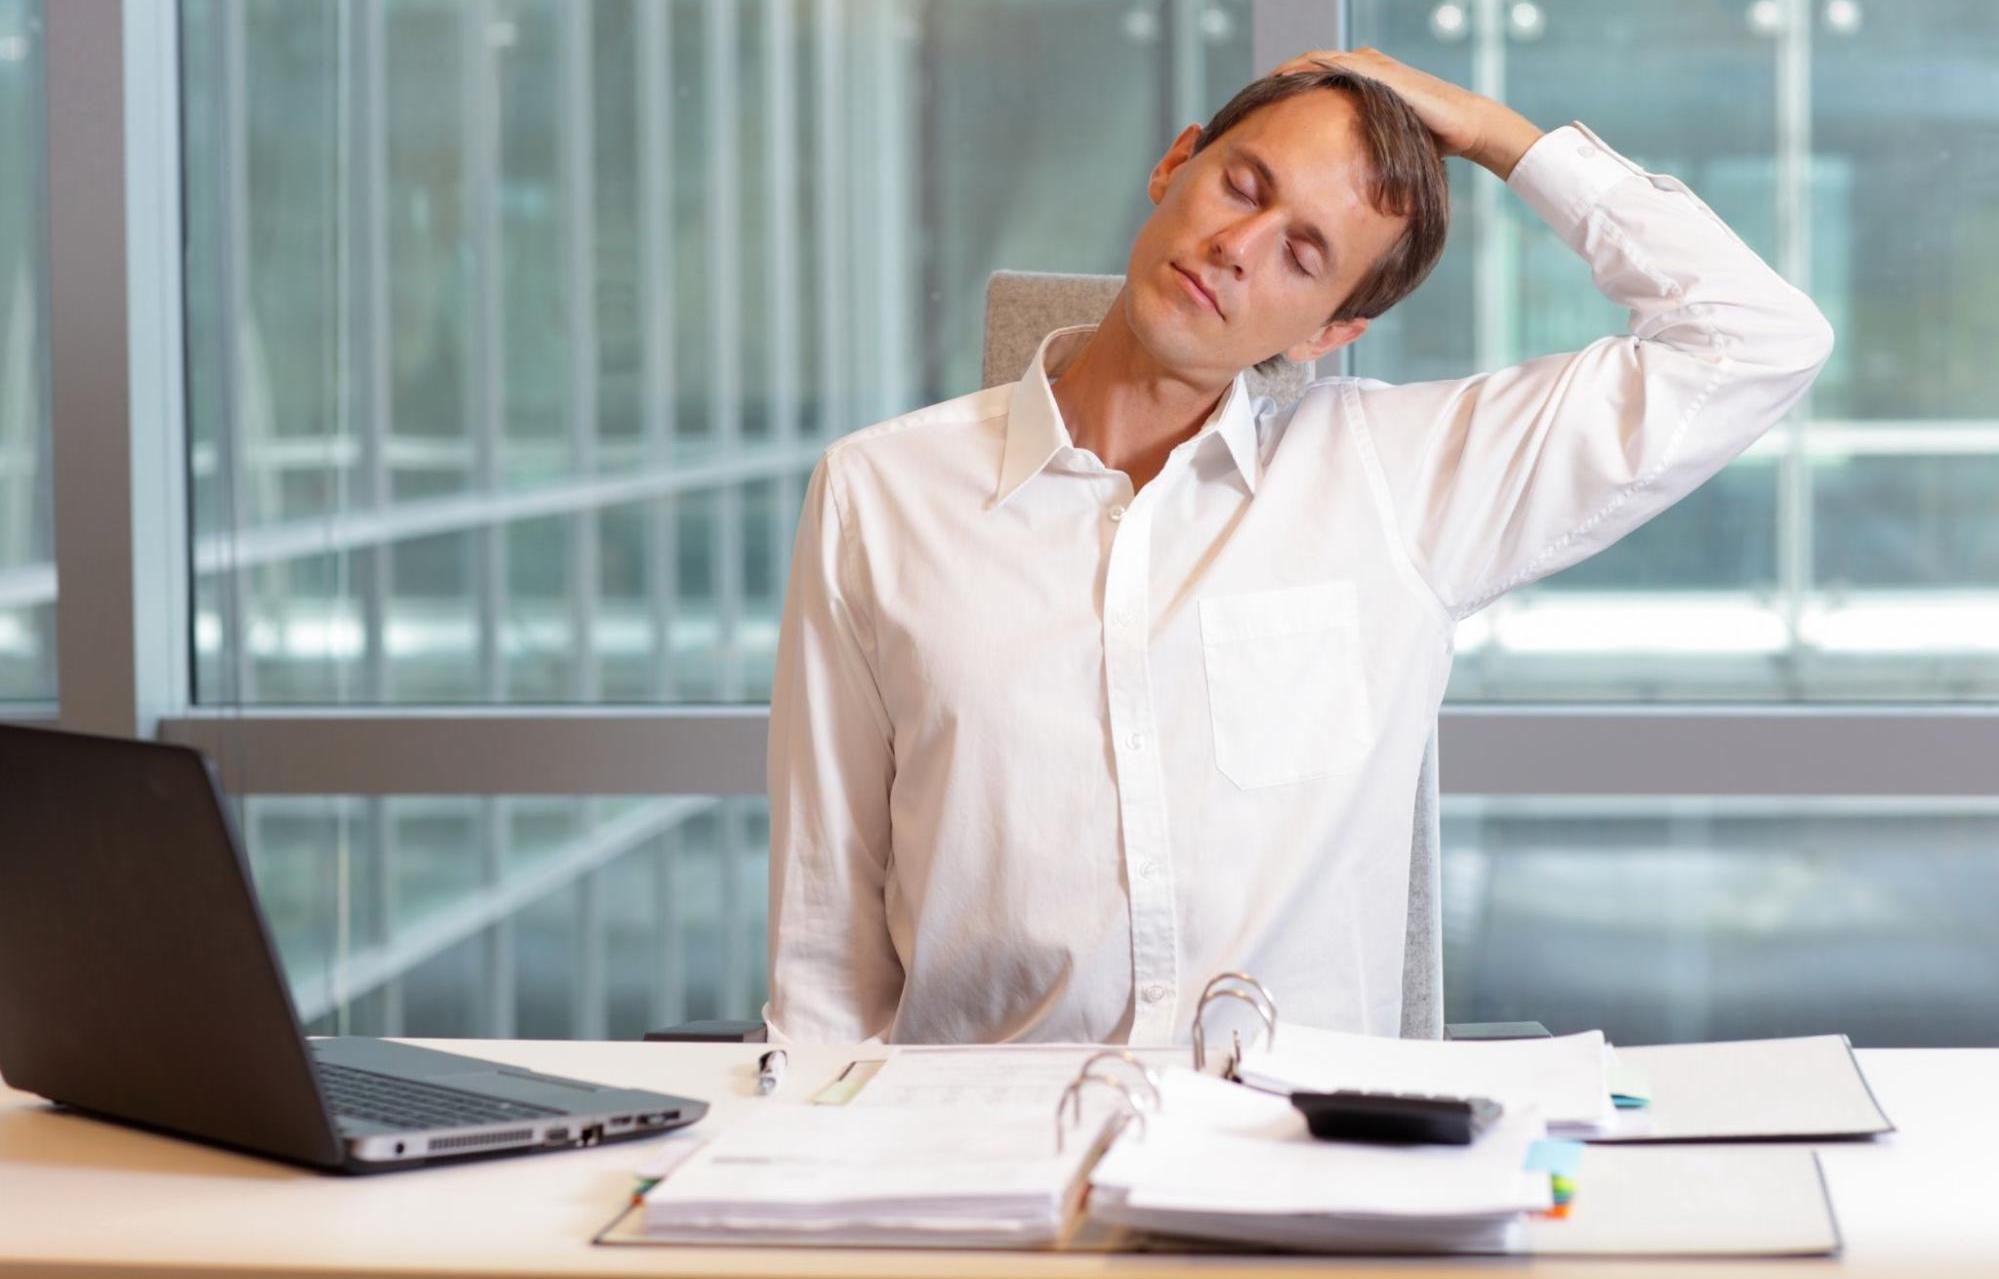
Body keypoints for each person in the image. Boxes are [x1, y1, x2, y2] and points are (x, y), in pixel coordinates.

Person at [762, 48, 1834, 1045]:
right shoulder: (881, 492)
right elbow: (826, 932)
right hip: (980, 1168)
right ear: (1174, 163)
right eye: (1242, 186)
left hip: (1294, 1166)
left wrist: (1498, 135)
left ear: (1327, 331)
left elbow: (1756, 339)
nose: (1238, 248)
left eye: (1305, 251)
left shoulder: (1401, 480)